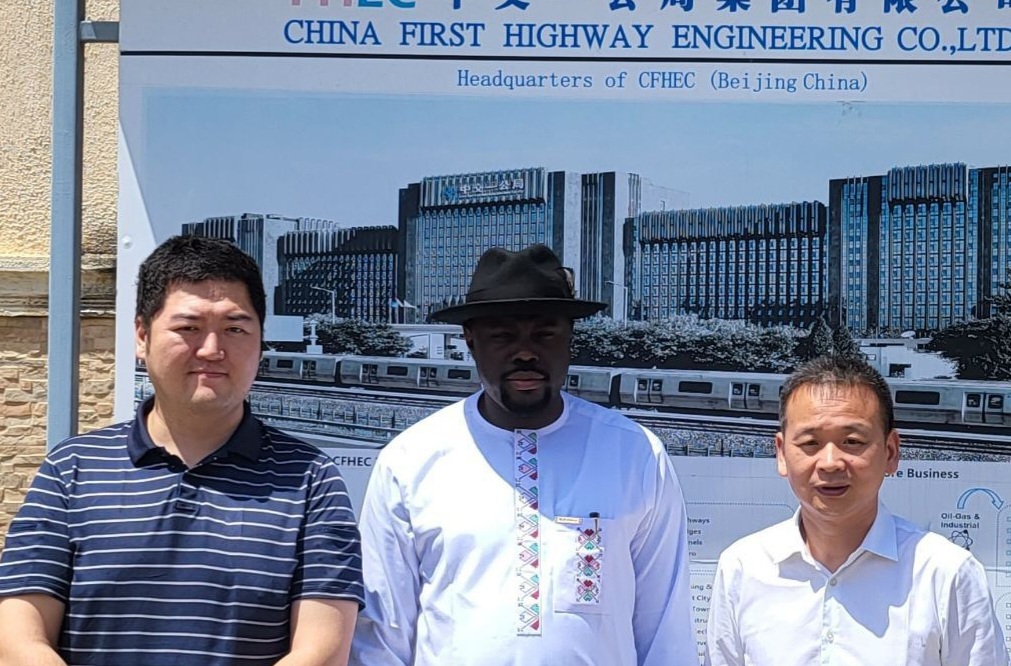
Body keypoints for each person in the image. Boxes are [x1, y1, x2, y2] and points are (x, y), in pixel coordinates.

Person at [0, 235, 364, 665]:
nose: (212, 350)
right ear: (142, 336)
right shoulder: (72, 469)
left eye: (235, 329)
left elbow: (322, 651)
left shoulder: (310, 478)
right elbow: (18, 638)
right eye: (188, 328)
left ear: (260, 341)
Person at [350, 244, 696, 665]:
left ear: (570, 338)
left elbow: (665, 631)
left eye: (545, 334)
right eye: (503, 336)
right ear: (471, 340)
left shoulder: (633, 453)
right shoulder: (412, 460)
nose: (526, 353)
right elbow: (381, 635)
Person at [705, 355, 1009, 666]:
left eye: (852, 441)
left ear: (891, 452)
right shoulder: (742, 568)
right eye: (810, 443)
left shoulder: (947, 574)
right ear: (781, 454)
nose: (830, 463)